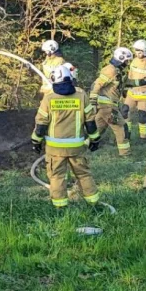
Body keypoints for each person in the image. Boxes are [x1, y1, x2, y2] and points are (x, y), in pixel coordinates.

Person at [31, 64, 102, 209]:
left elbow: (41, 125)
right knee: (83, 175)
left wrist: (36, 142)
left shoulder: (49, 99)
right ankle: (94, 204)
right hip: (76, 148)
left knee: (57, 177)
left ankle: (60, 208)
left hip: (55, 149)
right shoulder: (81, 96)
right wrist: (95, 139)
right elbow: (90, 122)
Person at [90, 47, 133, 156]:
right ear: (121, 59)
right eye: (127, 61)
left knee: (98, 129)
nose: (127, 63)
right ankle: (125, 154)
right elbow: (97, 85)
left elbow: (118, 87)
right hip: (107, 106)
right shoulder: (110, 70)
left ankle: (84, 148)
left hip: (107, 105)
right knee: (121, 128)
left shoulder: (118, 71)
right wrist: (93, 101)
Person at [123, 39, 146, 143]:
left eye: (139, 51)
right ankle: (126, 134)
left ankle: (143, 138)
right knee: (125, 111)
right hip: (132, 92)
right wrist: (126, 89)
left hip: (145, 94)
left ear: (145, 51)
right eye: (136, 50)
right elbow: (130, 76)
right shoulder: (134, 61)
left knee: (142, 116)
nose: (137, 53)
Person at [39, 40, 65, 104]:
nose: (45, 52)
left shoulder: (59, 61)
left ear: (52, 50)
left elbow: (59, 77)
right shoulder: (47, 59)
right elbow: (44, 70)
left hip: (54, 91)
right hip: (46, 90)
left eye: (46, 50)